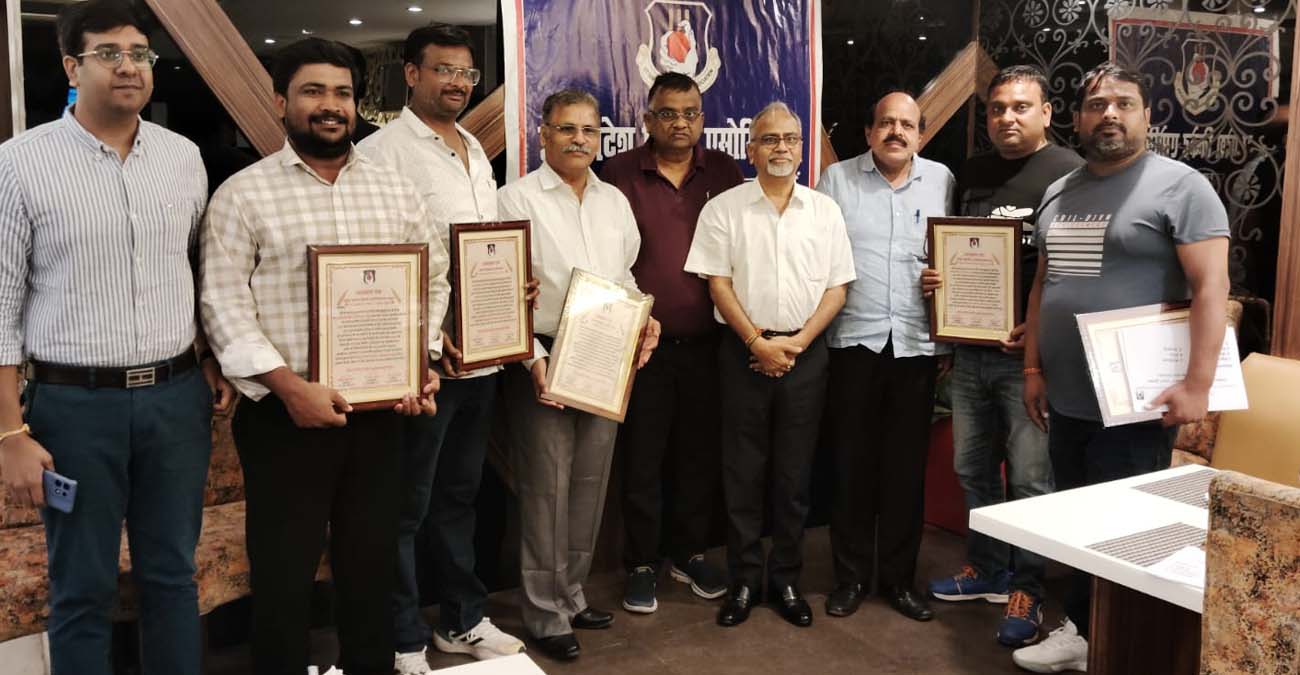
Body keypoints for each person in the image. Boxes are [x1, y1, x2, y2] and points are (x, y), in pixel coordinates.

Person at [0, 2, 234, 673]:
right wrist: (10, 433)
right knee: (82, 586)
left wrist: (209, 354)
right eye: (109, 53)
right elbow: (1, 306)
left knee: (173, 577)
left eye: (139, 53)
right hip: (74, 408)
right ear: (72, 66)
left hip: (175, 400)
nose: (128, 66)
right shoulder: (20, 164)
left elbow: (194, 269)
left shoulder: (183, 158)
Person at [200, 38, 445, 675]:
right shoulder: (243, 195)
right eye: (313, 91)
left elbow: (433, 282)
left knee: (370, 572)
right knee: (283, 578)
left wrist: (419, 362)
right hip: (285, 418)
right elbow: (223, 305)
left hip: (380, 415)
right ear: (281, 102)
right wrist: (289, 387)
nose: (330, 105)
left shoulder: (397, 191)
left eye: (342, 92)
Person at [1012, 62, 1229, 673]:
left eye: (1123, 103)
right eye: (1096, 104)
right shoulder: (1060, 190)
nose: (1109, 113)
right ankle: (1084, 634)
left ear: (1146, 115)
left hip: (1138, 401)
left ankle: (1118, 646)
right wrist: (1033, 369)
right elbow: (1047, 283)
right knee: (1080, 519)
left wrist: (1198, 384)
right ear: (1077, 118)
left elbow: (1212, 287)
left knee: (1124, 530)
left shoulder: (1181, 187)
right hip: (1068, 396)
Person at [359, 24, 526, 671]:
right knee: (406, 507)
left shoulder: (475, 151)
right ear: (411, 73)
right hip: (425, 365)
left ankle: (462, 620)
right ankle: (403, 635)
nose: (458, 83)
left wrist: (513, 287)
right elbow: (381, 264)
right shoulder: (383, 154)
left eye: (467, 73)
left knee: (459, 497)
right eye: (444, 70)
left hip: (482, 357)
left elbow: (482, 250)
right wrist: (428, 342)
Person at [921, 65, 1084, 646]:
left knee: (1032, 479)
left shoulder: (1070, 174)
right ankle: (988, 568)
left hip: (1028, 360)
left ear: (1046, 112)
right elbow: (960, 250)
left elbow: (1069, 271)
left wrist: (1035, 335)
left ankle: (1028, 587)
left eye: (1020, 107)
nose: (1006, 118)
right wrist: (938, 282)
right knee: (973, 467)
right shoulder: (973, 172)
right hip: (970, 351)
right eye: (996, 108)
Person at [496, 88, 660, 661]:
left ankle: (571, 595)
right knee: (547, 488)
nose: (579, 140)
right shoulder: (513, 199)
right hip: (545, 356)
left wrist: (645, 318)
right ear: (543, 134)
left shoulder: (614, 201)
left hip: (605, 354)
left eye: (589, 130)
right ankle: (544, 613)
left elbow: (625, 274)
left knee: (590, 484)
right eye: (567, 129)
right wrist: (531, 362)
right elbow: (500, 292)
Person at [685, 101, 855, 629]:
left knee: (793, 475)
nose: (781, 147)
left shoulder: (824, 211)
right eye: (770, 139)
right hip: (742, 353)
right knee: (742, 473)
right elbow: (717, 284)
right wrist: (757, 342)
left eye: (790, 139)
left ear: (802, 150)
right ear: (751, 148)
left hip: (806, 353)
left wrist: (797, 342)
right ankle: (743, 580)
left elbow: (838, 287)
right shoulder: (724, 209)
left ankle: (785, 579)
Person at [600, 71, 742, 614]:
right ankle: (642, 563)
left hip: (710, 345)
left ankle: (689, 554)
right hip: (641, 348)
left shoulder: (725, 172)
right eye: (667, 113)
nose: (680, 123)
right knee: (642, 460)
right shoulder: (618, 173)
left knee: (698, 458)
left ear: (702, 120)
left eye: (690, 113)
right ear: (647, 119)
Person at [816, 91, 953, 623]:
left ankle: (898, 580)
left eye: (907, 125)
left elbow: (955, 256)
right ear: (869, 131)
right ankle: (849, 578)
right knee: (850, 466)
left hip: (917, 345)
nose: (896, 132)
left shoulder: (942, 180)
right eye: (886, 123)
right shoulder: (837, 181)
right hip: (854, 341)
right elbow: (818, 257)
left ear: (920, 133)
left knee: (904, 471)